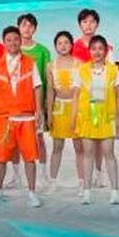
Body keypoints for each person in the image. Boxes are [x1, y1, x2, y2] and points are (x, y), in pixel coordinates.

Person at [0, 25, 44, 208]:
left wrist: (39, 111)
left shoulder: (30, 63)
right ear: (4, 43)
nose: (12, 43)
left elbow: (37, 87)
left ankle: (32, 193)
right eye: (9, 40)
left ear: (21, 41)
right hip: (4, 117)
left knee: (30, 157)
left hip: (26, 117)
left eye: (15, 39)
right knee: (1, 157)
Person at [77, 35, 119, 205]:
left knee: (109, 153)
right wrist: (75, 117)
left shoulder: (113, 70)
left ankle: (115, 191)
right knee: (88, 154)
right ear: (89, 51)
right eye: (94, 48)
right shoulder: (82, 69)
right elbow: (76, 95)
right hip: (88, 115)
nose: (97, 52)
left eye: (100, 48)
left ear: (106, 51)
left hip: (106, 116)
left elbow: (118, 95)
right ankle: (87, 192)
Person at [45, 31, 83, 192]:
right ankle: (53, 182)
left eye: (66, 42)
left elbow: (82, 91)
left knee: (79, 148)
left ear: (71, 45)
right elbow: (50, 91)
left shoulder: (80, 64)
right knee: (57, 147)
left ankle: (82, 183)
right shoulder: (50, 65)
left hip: (76, 108)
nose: (63, 46)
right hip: (59, 109)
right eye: (59, 43)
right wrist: (49, 113)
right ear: (55, 46)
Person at [19, 12, 52, 188]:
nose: (27, 28)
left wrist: (45, 104)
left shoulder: (43, 52)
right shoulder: (11, 49)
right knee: (16, 141)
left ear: (35, 29)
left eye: (30, 26)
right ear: (18, 27)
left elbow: (47, 80)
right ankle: (16, 176)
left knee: (39, 139)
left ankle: (43, 174)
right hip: (16, 104)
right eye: (24, 25)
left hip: (36, 104)